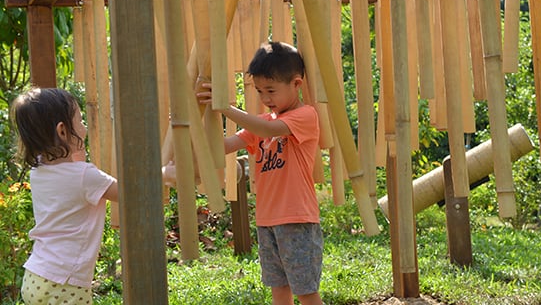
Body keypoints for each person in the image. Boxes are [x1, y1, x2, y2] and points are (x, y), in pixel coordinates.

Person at [11, 87, 175, 305]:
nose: (85, 128)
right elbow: (131, 193)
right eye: (80, 121)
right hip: (65, 283)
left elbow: (69, 185)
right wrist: (163, 174)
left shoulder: (39, 171)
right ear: (62, 131)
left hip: (37, 276)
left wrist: (76, 152)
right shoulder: (84, 176)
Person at [197, 41, 324, 305]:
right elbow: (224, 147)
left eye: (271, 90)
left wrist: (225, 106)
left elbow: (267, 131)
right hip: (267, 221)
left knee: (305, 291)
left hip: (296, 219)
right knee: (278, 289)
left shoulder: (304, 115)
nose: (265, 99)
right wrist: (198, 121)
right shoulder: (264, 122)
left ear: (296, 84)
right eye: (259, 91)